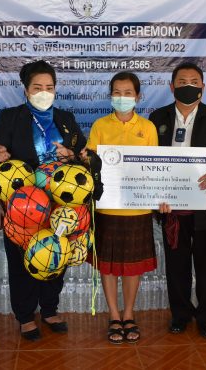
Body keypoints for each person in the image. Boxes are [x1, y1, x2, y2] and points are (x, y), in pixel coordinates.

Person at [0, 60, 86, 341]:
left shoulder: (65, 118)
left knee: (56, 253)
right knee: (21, 260)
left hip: (59, 204)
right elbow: (0, 164)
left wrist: (71, 155)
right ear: (25, 89)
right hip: (24, 206)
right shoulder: (10, 117)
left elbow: (82, 156)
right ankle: (24, 315)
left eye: (49, 87)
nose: (44, 92)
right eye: (37, 87)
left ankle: (49, 309)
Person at [149, 62, 206, 339]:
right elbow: (146, 162)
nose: (188, 86)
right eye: (181, 81)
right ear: (171, 87)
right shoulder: (157, 119)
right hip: (171, 210)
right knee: (176, 264)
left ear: (203, 86)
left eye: (193, 81)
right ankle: (180, 314)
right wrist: (157, 196)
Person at [85, 72, 158, 344]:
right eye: (117, 91)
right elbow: (93, 165)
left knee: (132, 266)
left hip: (138, 209)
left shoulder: (148, 128)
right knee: (108, 265)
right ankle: (113, 315)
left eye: (128, 92)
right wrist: (85, 160)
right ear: (110, 95)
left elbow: (155, 167)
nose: (122, 97)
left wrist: (160, 193)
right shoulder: (99, 125)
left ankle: (129, 313)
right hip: (107, 209)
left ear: (138, 97)